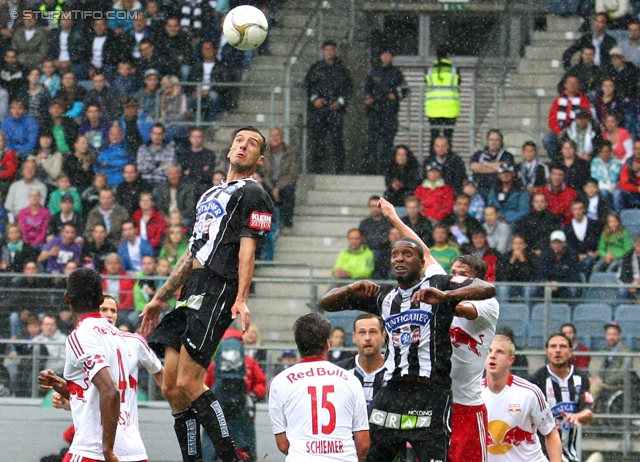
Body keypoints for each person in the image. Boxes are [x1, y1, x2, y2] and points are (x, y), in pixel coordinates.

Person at [321, 199, 496, 462]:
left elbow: (486, 290)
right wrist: (349, 287)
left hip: (444, 396)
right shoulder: (388, 297)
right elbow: (326, 303)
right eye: (394, 255)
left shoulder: (447, 289)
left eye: (407, 254)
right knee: (371, 453)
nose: (399, 259)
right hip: (394, 392)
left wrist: (446, 297)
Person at [140, 127, 274, 462]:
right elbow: (191, 253)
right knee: (170, 386)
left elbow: (248, 250)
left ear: (260, 159)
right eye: (240, 140)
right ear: (230, 148)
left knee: (189, 382)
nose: (243, 145)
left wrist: (241, 297)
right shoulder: (208, 195)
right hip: (190, 288)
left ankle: (229, 457)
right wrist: (161, 296)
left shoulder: (254, 192)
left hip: (219, 286)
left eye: (253, 144)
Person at [37, 267, 145, 462]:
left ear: (67, 298)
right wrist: (59, 384)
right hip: (133, 448)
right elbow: (94, 394)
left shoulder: (80, 336)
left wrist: (108, 450)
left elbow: (110, 390)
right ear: (101, 300)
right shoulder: (116, 335)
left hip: (94, 449)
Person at [268, 313, 370, 461]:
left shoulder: (279, 382)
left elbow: (283, 444)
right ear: (327, 344)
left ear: (298, 345)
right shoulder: (351, 380)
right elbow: (363, 443)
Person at [448, 254, 499, 462]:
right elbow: (424, 253)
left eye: (463, 275)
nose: (455, 279)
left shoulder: (488, 304)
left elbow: (461, 308)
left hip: (466, 408)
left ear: (477, 281)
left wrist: (436, 297)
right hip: (435, 403)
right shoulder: (441, 298)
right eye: (453, 274)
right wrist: (394, 219)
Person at [482, 335, 563, 462]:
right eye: (489, 351)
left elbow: (550, 433)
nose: (492, 356)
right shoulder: (472, 393)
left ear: (511, 360)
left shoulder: (529, 392)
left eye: (500, 352)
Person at [529, 332, 594, 462]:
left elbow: (589, 413)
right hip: (542, 453)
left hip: (570, 453)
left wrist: (577, 416)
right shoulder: (537, 379)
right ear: (547, 351)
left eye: (562, 346)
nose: (558, 350)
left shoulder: (581, 377)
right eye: (553, 346)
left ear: (570, 351)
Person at [304, 40, 353, 174]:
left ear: (335, 51)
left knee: (337, 140)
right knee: (318, 140)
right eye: (327, 50)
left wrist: (340, 102)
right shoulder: (316, 68)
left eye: (331, 50)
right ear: (323, 51)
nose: (329, 52)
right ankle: (317, 168)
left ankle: (339, 169)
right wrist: (314, 100)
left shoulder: (342, 69)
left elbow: (348, 88)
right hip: (320, 110)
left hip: (335, 110)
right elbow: (309, 85)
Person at [364, 48, 407, 174]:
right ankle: (371, 168)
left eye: (388, 55)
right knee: (372, 141)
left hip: (389, 113)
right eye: (383, 54)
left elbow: (404, 90)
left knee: (387, 143)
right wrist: (369, 98)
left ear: (392, 57)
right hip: (375, 112)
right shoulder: (374, 71)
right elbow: (367, 89)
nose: (385, 57)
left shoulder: (396, 73)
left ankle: (385, 169)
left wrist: (394, 95)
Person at [336, 313, 386, 406]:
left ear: (383, 336)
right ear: (354, 338)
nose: (367, 338)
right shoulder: (340, 372)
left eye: (373, 332)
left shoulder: (396, 372)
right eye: (362, 332)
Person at [589, 321, 637, 412]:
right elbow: (595, 367)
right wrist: (595, 377)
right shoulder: (603, 351)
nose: (611, 337)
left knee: (594, 386)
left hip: (615, 384)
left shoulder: (626, 352)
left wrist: (604, 380)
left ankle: (586, 416)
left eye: (614, 334)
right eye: (609, 334)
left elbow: (623, 373)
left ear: (619, 336)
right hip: (601, 381)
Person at [544, 76, 591, 163]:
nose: (572, 85)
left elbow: (586, 118)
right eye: (570, 83)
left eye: (575, 83)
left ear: (578, 86)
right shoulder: (558, 100)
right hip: (560, 131)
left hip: (576, 131)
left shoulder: (583, 100)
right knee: (547, 140)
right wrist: (558, 131)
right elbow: (552, 118)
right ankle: (557, 163)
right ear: (565, 85)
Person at [261, 127, 300, 232]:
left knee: (289, 191)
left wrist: (277, 188)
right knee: (261, 193)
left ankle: (287, 224)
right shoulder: (264, 152)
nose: (274, 138)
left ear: (282, 137)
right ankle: (265, 226)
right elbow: (264, 173)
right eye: (272, 136)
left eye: (277, 135)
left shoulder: (291, 152)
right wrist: (272, 188)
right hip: (269, 182)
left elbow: (292, 174)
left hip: (284, 182)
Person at [425, 44, 460, 151]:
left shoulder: (429, 70)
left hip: (433, 109)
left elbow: (427, 83)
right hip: (450, 109)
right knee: (448, 139)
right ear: (448, 54)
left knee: (434, 137)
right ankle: (447, 161)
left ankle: (432, 161)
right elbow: (458, 84)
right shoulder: (454, 69)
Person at [537, 230, 582, 299]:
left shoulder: (572, 255)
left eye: (559, 243)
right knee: (534, 291)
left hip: (565, 286)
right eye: (554, 243)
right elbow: (541, 274)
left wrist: (559, 284)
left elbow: (574, 276)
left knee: (573, 290)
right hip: (548, 285)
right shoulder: (545, 255)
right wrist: (548, 283)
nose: (556, 246)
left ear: (564, 244)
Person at [470, 130, 515, 198]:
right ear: (487, 141)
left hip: (499, 189)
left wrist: (484, 165)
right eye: (491, 139)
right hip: (479, 188)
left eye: (497, 140)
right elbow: (473, 167)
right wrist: (497, 168)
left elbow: (505, 169)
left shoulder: (507, 156)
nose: (494, 142)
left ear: (501, 141)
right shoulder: (478, 154)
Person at [563, 198, 602, 275]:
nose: (577, 212)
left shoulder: (594, 224)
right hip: (574, 258)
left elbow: (600, 240)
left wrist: (596, 252)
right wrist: (577, 255)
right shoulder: (567, 228)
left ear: (584, 210)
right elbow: (567, 246)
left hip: (592, 257)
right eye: (575, 209)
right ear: (571, 210)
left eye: (580, 209)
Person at [359, 195, 394, 279]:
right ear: (369, 208)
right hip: (367, 252)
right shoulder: (364, 223)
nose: (374, 208)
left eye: (377, 206)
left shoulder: (389, 222)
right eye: (372, 206)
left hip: (386, 253)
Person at [496, 235, 538, 302]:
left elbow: (529, 276)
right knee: (503, 288)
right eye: (516, 243)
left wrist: (522, 260)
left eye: (520, 243)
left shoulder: (531, 256)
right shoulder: (506, 256)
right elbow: (504, 276)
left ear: (525, 245)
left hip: (526, 285)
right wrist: (512, 260)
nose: (518, 246)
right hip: (510, 285)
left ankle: (528, 312)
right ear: (512, 245)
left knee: (528, 289)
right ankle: (504, 311)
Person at [136, 123, 177, 188]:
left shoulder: (170, 149)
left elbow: (168, 170)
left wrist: (148, 164)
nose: (156, 137)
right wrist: (158, 165)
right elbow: (140, 168)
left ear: (163, 135)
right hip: (144, 183)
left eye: (159, 134)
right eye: (154, 133)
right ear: (151, 134)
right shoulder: (143, 149)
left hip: (162, 184)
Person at [614, 139, 640, 212]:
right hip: (633, 194)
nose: (638, 151)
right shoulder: (629, 162)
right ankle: (618, 220)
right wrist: (637, 189)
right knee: (618, 193)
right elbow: (623, 184)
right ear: (633, 149)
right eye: (636, 149)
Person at [616, 233, 640, 299]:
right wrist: (630, 284)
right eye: (638, 245)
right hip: (630, 283)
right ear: (635, 245)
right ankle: (624, 308)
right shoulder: (627, 257)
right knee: (622, 291)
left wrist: (638, 281)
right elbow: (622, 274)